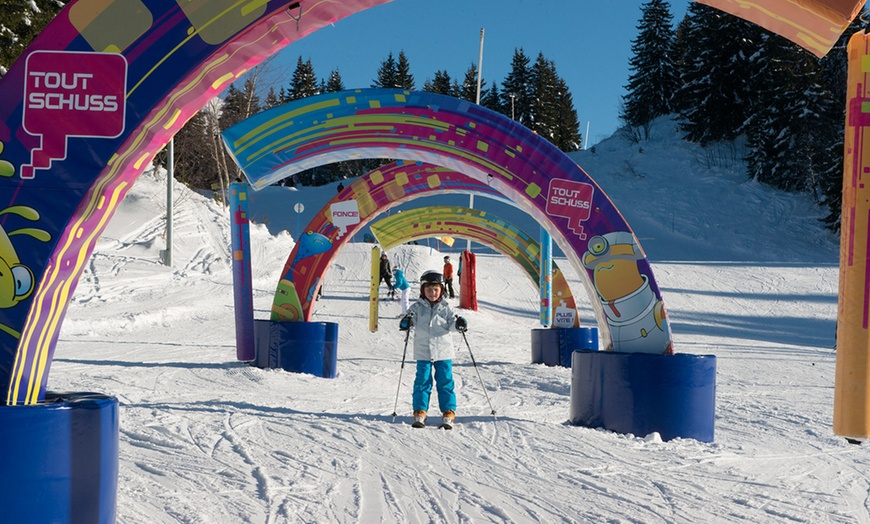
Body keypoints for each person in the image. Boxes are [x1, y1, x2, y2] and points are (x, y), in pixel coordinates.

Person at [398, 270, 468, 429]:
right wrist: (406, 323)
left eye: (435, 289)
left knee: (445, 381)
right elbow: (409, 320)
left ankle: (448, 410)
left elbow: (452, 323)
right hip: (423, 351)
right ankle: (420, 410)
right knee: (422, 381)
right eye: (428, 290)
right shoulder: (416, 308)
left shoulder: (446, 308)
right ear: (423, 290)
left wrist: (459, 325)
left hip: (443, 351)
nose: (432, 293)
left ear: (441, 290)